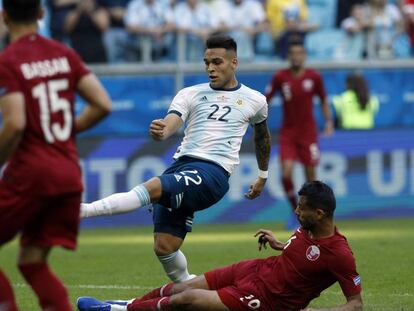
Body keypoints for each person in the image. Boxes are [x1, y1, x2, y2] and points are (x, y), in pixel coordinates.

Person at [80, 34, 271, 283]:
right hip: (181, 166)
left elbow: (262, 138)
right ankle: (192, 290)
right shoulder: (190, 93)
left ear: (234, 63)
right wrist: (163, 131)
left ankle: (80, 212)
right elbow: (172, 121)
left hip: (212, 173)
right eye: (206, 63)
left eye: (217, 62)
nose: (210, 68)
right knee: (165, 246)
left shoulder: (255, 100)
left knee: (153, 187)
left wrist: (263, 175)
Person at [77, 181, 363, 311]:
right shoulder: (306, 228)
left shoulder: (339, 254)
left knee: (187, 302)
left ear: (321, 213)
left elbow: (355, 304)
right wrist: (279, 245)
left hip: (267, 301)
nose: (297, 213)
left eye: (302, 209)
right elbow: (299, 253)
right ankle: (121, 305)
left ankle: (114, 310)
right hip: (253, 270)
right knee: (181, 287)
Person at [0, 0, 112, 310]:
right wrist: (63, 133)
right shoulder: (64, 54)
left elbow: (15, 125)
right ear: (40, 13)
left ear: (3, 15)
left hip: (31, 174)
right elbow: (103, 104)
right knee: (32, 263)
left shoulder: (8, 61)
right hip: (67, 174)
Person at [265, 41, 334, 230]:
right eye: (292, 53)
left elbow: (323, 100)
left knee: (311, 180)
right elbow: (266, 100)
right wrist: (258, 122)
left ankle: (315, 217)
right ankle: (296, 211)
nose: (296, 56)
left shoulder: (314, 76)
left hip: (308, 133)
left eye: (299, 53)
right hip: (288, 133)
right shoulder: (280, 77)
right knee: (285, 173)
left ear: (304, 55)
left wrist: (328, 121)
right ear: (288, 56)